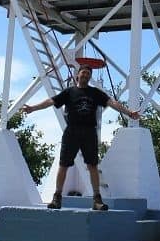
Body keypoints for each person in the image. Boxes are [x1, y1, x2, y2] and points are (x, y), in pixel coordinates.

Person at [22, 63, 140, 211]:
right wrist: (33, 108)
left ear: (90, 77)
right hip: (72, 131)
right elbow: (50, 101)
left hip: (89, 132)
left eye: (88, 74)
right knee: (63, 165)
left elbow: (112, 102)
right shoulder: (69, 92)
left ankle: (97, 200)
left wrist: (129, 112)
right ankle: (57, 197)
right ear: (78, 75)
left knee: (92, 166)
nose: (85, 76)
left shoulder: (95, 93)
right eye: (83, 73)